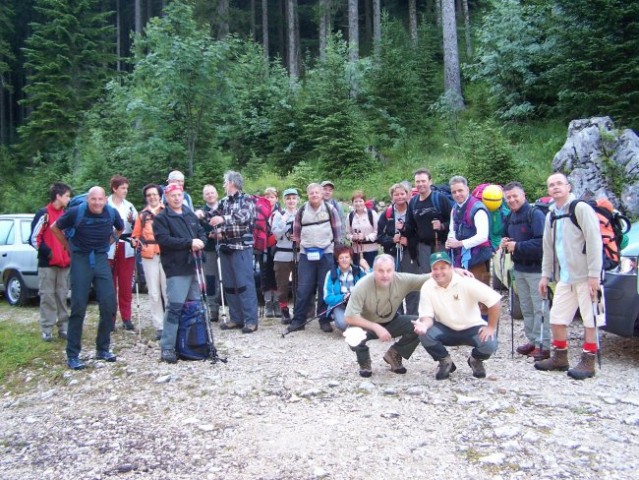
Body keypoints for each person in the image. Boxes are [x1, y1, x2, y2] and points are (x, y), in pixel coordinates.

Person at [535, 173, 603, 380]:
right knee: (557, 318)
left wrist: (594, 275)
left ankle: (589, 361)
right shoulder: (551, 215)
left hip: (585, 275)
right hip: (565, 277)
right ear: (548, 190)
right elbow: (548, 248)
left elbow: (594, 241)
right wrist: (545, 275)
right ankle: (560, 357)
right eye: (551, 185)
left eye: (559, 184)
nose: (555, 188)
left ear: (568, 187)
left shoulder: (581, 209)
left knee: (590, 319)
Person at [50, 186, 124, 370]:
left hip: (100, 258)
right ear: (88, 200)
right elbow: (55, 227)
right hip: (81, 258)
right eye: (94, 199)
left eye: (100, 199)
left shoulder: (111, 213)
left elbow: (120, 229)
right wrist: (68, 246)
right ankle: (73, 355)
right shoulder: (76, 212)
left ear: (105, 200)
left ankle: (103, 349)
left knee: (109, 304)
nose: (97, 203)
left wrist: (108, 243)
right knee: (78, 306)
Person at [413, 251, 502, 380]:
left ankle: (475, 360)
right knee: (424, 332)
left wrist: (491, 327)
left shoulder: (466, 282)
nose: (439, 272)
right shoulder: (427, 286)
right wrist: (423, 325)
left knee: (490, 343)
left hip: (472, 327)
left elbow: (494, 300)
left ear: (451, 268)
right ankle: (445, 361)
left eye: (443, 268)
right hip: (445, 328)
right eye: (435, 268)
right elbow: (426, 316)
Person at [343, 254, 433, 377]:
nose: (385, 275)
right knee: (352, 335)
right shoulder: (362, 285)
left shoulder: (401, 280)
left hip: (392, 321)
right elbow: (349, 317)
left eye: (389, 271)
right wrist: (376, 327)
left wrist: (453, 272)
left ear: (393, 271)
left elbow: (427, 278)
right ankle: (364, 362)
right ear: (373, 271)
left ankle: (394, 354)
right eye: (380, 271)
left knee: (420, 324)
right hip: (367, 324)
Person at [153, 183, 208, 363]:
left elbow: (202, 233)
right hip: (176, 268)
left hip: (195, 266)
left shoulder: (189, 214)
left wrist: (201, 241)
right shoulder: (162, 218)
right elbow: (164, 240)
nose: (177, 198)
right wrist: (189, 243)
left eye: (179, 195)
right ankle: (167, 347)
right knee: (175, 307)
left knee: (194, 306)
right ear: (166, 198)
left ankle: (193, 342)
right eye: (173, 195)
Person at [501, 181, 550, 360]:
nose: (512, 200)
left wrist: (517, 246)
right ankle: (533, 340)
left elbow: (542, 243)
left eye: (515, 196)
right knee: (526, 308)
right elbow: (508, 239)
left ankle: (544, 345)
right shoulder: (510, 217)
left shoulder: (534, 214)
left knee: (540, 308)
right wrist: (505, 243)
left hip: (537, 269)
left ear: (523, 195)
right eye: (509, 197)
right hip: (519, 268)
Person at [286, 182, 343, 334]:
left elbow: (338, 231)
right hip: (306, 254)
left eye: (317, 192)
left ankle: (324, 320)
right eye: (311, 193)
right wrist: (299, 244)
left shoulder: (330, 209)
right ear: (308, 194)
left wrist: (336, 250)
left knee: (324, 288)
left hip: (326, 253)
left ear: (321, 194)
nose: (314, 195)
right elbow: (296, 230)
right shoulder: (302, 209)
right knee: (303, 288)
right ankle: (298, 321)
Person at [208, 171, 259, 333]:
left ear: (231, 182)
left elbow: (244, 217)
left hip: (242, 248)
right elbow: (214, 218)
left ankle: (251, 321)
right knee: (229, 286)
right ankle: (236, 318)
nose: (223, 185)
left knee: (245, 285)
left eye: (225, 182)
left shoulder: (247, 199)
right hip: (225, 248)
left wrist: (223, 221)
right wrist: (212, 226)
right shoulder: (222, 202)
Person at [29, 182, 72, 341]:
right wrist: (49, 253)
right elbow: (34, 239)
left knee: (62, 296)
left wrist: (68, 253)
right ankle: (47, 329)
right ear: (58, 196)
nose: (69, 198)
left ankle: (64, 328)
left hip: (64, 263)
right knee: (47, 296)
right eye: (67, 195)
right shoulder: (43, 214)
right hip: (48, 265)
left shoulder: (66, 214)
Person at [378, 182, 422, 314]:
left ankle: (412, 319)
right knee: (393, 286)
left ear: (408, 195)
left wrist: (409, 241)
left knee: (411, 286)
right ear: (392, 196)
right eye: (396, 194)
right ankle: (398, 319)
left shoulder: (414, 211)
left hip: (410, 254)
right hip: (393, 254)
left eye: (402, 193)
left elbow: (421, 234)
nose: (399, 197)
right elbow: (380, 237)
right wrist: (392, 240)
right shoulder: (387, 214)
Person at [131, 183, 167, 340]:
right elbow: (136, 234)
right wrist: (134, 241)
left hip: (167, 253)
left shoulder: (168, 211)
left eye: (154, 194)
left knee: (168, 291)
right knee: (153, 292)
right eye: (149, 195)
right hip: (149, 255)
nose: (152, 197)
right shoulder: (142, 215)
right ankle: (159, 326)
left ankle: (171, 323)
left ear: (160, 195)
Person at [446, 175, 493, 292]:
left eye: (460, 190)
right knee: (463, 293)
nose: (457, 194)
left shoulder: (478, 209)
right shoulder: (454, 209)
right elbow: (452, 230)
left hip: (479, 258)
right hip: (460, 257)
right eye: (454, 192)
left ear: (467, 189)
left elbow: (483, 236)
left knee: (480, 294)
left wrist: (459, 243)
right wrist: (450, 241)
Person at [402, 168, 452, 274]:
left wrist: (442, 226)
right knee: (425, 276)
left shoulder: (440, 199)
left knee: (442, 275)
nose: (420, 184)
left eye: (423, 181)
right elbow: (410, 225)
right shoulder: (413, 202)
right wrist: (402, 228)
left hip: (440, 244)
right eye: (417, 181)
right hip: (422, 247)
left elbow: (454, 222)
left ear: (430, 181)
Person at [107, 175, 138, 331]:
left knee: (125, 284)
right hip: (109, 246)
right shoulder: (105, 203)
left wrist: (133, 222)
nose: (125, 191)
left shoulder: (130, 206)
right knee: (109, 285)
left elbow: (137, 228)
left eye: (126, 188)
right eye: (123, 188)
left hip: (126, 246)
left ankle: (126, 317)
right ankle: (110, 318)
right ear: (114, 189)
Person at [270, 188, 299, 324]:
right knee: (282, 284)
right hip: (282, 254)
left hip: (298, 254)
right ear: (284, 200)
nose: (291, 201)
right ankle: (284, 310)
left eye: (293, 198)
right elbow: (276, 234)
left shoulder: (301, 214)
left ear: (298, 200)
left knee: (299, 284)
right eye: (288, 198)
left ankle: (299, 310)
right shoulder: (278, 214)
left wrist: (299, 237)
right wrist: (284, 220)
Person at [323, 245, 368, 331]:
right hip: (340, 305)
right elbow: (327, 297)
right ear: (337, 260)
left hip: (358, 305)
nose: (344, 260)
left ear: (350, 258)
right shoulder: (331, 274)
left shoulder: (359, 271)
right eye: (341, 258)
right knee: (342, 324)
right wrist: (343, 297)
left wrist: (367, 267)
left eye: (347, 257)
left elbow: (372, 283)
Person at [194, 184, 221, 322]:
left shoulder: (224, 208)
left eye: (212, 193)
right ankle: (213, 309)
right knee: (211, 279)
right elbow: (197, 231)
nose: (210, 195)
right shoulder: (200, 213)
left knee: (226, 279)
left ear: (216, 194)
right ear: (204, 196)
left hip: (224, 248)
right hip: (209, 249)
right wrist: (208, 235)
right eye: (207, 193)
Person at [257, 187, 279, 317]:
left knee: (276, 274)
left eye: (272, 197)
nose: (269, 199)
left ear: (276, 198)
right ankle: (267, 303)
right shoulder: (260, 212)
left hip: (277, 247)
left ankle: (276, 301)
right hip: (263, 247)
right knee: (264, 274)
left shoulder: (280, 212)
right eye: (267, 197)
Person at [346, 190, 379, 267]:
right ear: (353, 203)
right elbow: (347, 233)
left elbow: (378, 231)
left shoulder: (372, 214)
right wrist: (352, 237)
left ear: (364, 201)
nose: (358, 203)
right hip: (356, 250)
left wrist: (365, 237)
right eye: (355, 201)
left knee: (370, 273)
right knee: (358, 273)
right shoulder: (350, 216)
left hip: (371, 250)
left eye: (360, 201)